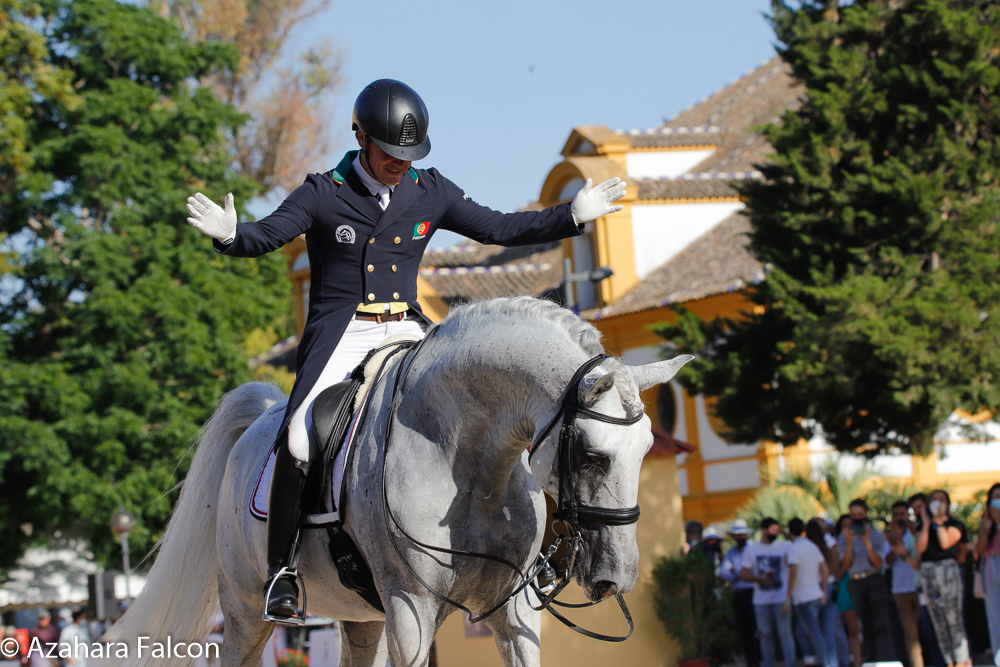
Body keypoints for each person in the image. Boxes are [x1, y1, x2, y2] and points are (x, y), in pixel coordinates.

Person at [184, 79, 628, 621]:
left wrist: (571, 216)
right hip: (344, 336)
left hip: (407, 330)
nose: (400, 164)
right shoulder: (324, 191)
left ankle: (515, 551)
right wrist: (232, 235)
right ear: (361, 138)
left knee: (482, 416)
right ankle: (282, 569)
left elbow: (497, 227)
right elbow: (270, 234)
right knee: (300, 438)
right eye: (391, 153)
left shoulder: (430, 189)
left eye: (408, 155)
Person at [915, 489, 970, 667]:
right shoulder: (923, 525)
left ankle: (962, 660)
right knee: (938, 621)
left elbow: (946, 542)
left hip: (948, 572)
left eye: (941, 500)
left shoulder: (955, 524)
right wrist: (925, 524)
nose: (937, 503)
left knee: (953, 619)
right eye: (934, 500)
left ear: (947, 504)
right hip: (928, 573)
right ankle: (949, 661)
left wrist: (939, 522)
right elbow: (920, 549)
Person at [838, 498, 895, 663]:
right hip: (856, 581)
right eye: (854, 514)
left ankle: (884, 660)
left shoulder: (876, 535)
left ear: (866, 514)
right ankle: (870, 661)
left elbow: (878, 563)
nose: (857, 517)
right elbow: (846, 564)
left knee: (881, 623)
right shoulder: (844, 536)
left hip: (874, 579)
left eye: (860, 514)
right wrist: (849, 543)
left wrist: (867, 542)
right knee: (865, 624)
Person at [742, 518, 796, 667]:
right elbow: (743, 574)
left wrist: (788, 599)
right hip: (761, 601)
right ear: (764, 530)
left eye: (777, 530)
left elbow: (794, 570)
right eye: (773, 530)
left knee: (785, 635)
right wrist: (759, 578)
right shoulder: (751, 550)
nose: (776, 533)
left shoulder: (784, 547)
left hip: (781, 599)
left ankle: (791, 664)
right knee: (764, 635)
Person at [787, 518, 831, 667]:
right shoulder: (811, 546)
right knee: (803, 632)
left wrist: (787, 599)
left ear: (789, 531)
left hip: (804, 598)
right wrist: (823, 591)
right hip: (815, 595)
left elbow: (793, 574)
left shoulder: (794, 548)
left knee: (814, 634)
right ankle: (811, 661)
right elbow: (825, 569)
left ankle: (821, 663)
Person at [887, 500, 922, 667]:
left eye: (902, 514)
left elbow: (918, 556)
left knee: (928, 630)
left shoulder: (918, 532)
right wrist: (895, 540)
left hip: (920, 586)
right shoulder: (889, 537)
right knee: (910, 634)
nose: (899, 518)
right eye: (896, 515)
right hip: (900, 590)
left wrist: (908, 538)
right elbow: (886, 562)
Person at [722, 519, 761, 667]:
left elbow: (753, 571)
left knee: (756, 629)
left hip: (753, 593)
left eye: (742, 535)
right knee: (744, 630)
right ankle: (751, 662)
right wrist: (740, 574)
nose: (740, 538)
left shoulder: (753, 549)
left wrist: (737, 572)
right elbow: (724, 572)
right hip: (739, 594)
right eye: (737, 536)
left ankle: (760, 659)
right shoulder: (732, 552)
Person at [806, 518, 842, 667]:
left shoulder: (827, 543)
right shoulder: (808, 545)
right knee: (824, 630)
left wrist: (825, 589)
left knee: (826, 629)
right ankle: (828, 662)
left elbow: (832, 568)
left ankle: (833, 663)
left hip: (823, 588)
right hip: (821, 588)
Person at [975, 483, 1000, 663]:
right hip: (991, 567)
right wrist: (987, 527)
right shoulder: (986, 522)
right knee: (995, 618)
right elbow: (980, 549)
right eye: (995, 497)